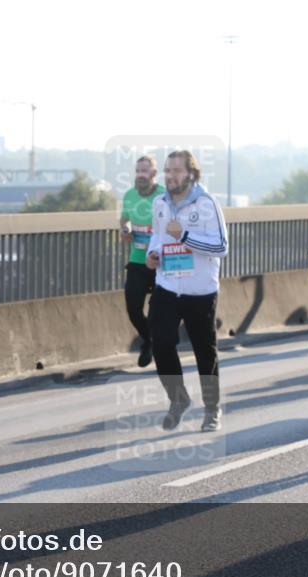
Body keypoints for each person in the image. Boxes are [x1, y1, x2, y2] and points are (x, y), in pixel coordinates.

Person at [146, 150, 228, 432]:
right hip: (167, 286)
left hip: (200, 291)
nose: (171, 176)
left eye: (177, 170)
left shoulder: (207, 204)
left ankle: (212, 409)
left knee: (205, 352)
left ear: (191, 174)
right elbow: (157, 237)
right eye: (168, 170)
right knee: (161, 343)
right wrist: (153, 255)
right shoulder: (159, 203)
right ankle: (178, 398)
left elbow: (221, 247)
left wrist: (184, 236)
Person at [119, 155, 165, 367]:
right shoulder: (129, 195)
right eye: (137, 171)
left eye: (144, 171)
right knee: (133, 308)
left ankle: (158, 345)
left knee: (158, 311)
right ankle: (148, 341)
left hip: (159, 262)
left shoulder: (163, 195)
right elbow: (124, 219)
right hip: (137, 260)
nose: (140, 175)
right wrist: (125, 229)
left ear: (153, 173)